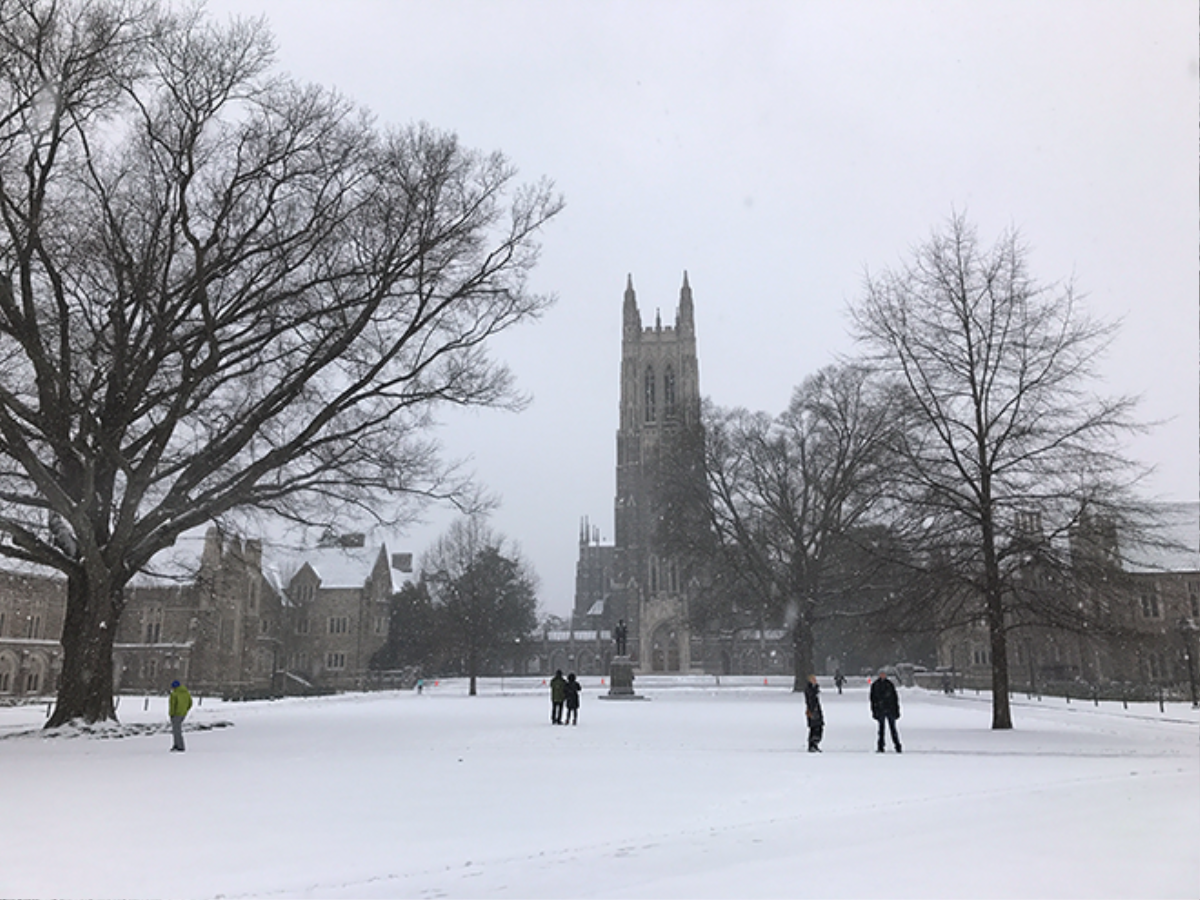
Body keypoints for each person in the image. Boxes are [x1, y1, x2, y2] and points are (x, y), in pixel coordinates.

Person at [869, 670, 902, 753]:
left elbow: (895, 698)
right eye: (881, 674)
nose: (883, 676)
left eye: (884, 674)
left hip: (890, 709)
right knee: (881, 729)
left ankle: (897, 746)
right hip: (880, 709)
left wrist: (896, 710)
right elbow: (873, 699)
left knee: (893, 729)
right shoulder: (876, 685)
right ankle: (880, 746)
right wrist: (874, 710)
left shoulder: (889, 684)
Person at [168, 679, 192, 752]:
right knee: (178, 730)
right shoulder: (186, 693)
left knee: (176, 731)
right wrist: (185, 710)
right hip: (183, 714)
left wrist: (171, 714)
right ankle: (178, 744)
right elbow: (190, 703)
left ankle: (179, 746)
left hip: (176, 714)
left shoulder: (174, 694)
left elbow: (172, 705)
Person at [804, 674, 824, 752]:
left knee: (819, 727)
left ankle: (815, 744)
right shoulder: (809, 689)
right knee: (814, 727)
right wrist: (812, 710)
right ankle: (812, 744)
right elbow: (810, 700)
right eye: (813, 679)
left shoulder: (814, 688)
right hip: (812, 710)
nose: (815, 680)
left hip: (816, 709)